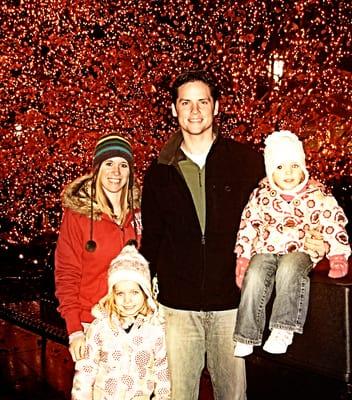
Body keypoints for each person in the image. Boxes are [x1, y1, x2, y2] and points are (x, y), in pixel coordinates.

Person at [140, 69, 265, 400]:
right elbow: (151, 240)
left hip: (231, 305)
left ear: (216, 107)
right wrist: (139, 290)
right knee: (179, 394)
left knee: (233, 394)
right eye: (185, 103)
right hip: (177, 308)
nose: (194, 112)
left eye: (202, 102)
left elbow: (275, 212)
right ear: (173, 110)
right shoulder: (158, 172)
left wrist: (312, 238)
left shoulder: (247, 161)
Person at [233, 130, 351, 358]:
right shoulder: (261, 194)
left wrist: (337, 256)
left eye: (294, 166)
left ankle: (282, 328)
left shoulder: (318, 194)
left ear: (303, 166)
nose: (288, 173)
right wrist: (244, 257)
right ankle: (246, 334)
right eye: (280, 167)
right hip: (266, 249)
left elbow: (333, 224)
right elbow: (248, 224)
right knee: (256, 272)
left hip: (300, 249)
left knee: (289, 266)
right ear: (270, 170)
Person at [55, 134, 142, 362]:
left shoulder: (140, 213)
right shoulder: (77, 216)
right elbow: (67, 274)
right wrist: (75, 330)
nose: (116, 172)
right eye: (109, 164)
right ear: (97, 169)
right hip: (92, 325)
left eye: (123, 165)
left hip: (136, 325)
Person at [71, 242, 171, 399]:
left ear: (145, 293)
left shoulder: (155, 329)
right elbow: (86, 368)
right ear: (112, 295)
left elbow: (162, 371)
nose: (127, 300)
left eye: (134, 292)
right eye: (120, 294)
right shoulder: (101, 326)